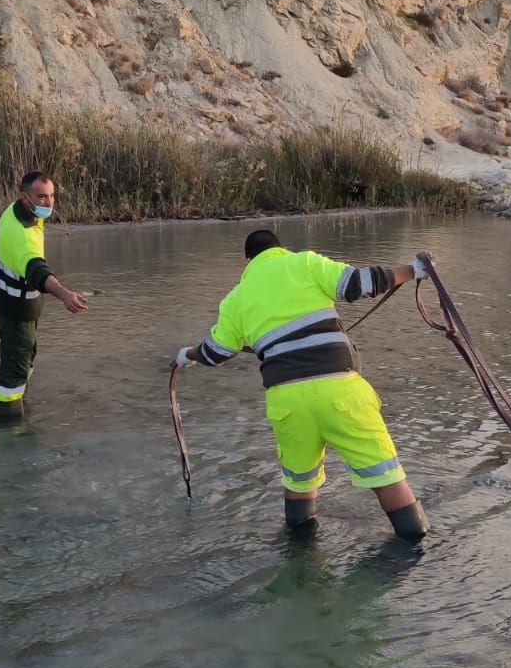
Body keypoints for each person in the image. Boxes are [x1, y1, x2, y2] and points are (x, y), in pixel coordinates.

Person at [175, 230, 431, 543]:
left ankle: (301, 560)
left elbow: (215, 352)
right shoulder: (304, 263)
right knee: (386, 477)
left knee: (299, 482)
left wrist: (186, 355)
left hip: (287, 401)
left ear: (247, 261)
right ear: (281, 248)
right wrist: (411, 270)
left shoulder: (236, 298)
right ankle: (413, 551)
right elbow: (357, 284)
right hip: (340, 389)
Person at [0, 171, 87, 420]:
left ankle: (22, 404)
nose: (49, 202)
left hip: (14, 303)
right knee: (13, 375)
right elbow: (37, 270)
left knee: (25, 360)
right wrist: (65, 295)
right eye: (41, 197)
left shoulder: (20, 210)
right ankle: (13, 437)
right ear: (25, 197)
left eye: (52, 196)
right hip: (15, 309)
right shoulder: (21, 232)